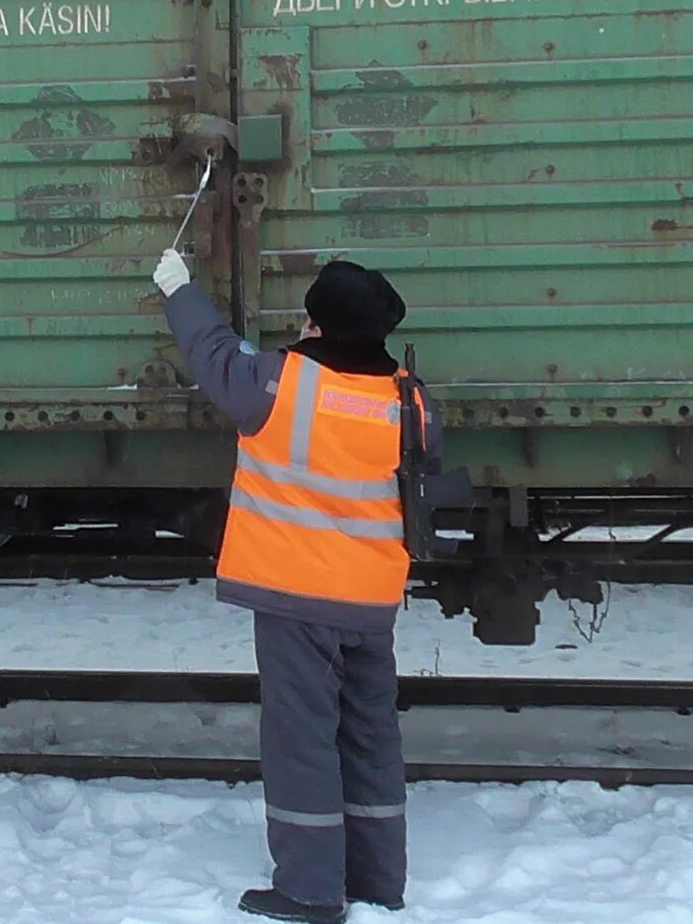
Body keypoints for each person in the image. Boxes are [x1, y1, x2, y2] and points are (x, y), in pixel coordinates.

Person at [154, 249, 441, 924]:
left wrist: (180, 290)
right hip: (371, 599)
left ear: (315, 324)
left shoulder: (278, 381)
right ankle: (377, 878)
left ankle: (310, 889)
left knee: (301, 735)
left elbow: (212, 352)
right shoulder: (412, 396)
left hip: (297, 596)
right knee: (370, 731)